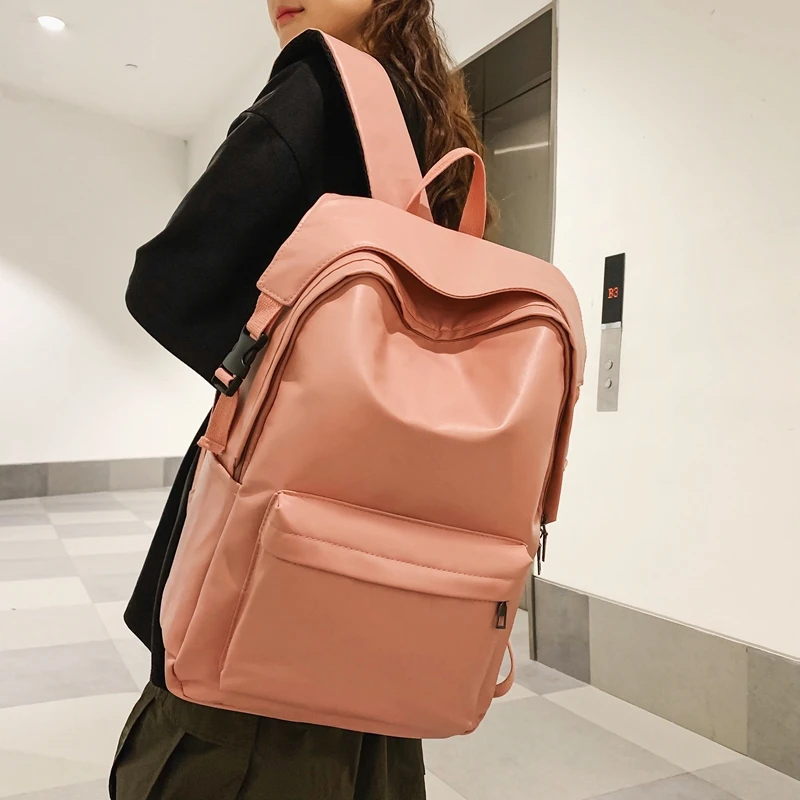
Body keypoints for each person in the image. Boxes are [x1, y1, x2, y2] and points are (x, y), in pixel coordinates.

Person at [112, 1, 490, 798]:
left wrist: (282, 383)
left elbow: (170, 283)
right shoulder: (434, 123)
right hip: (399, 592)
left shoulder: (319, 83)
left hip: (269, 571)